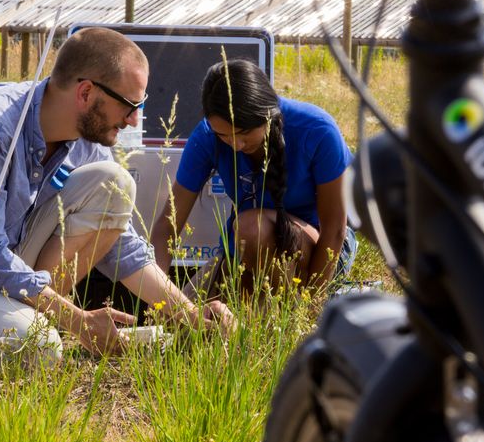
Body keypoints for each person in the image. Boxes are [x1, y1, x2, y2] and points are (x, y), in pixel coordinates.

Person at [0, 27, 234, 365]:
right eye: (129, 106)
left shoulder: (84, 141)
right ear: (86, 93)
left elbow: (122, 247)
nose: (133, 122)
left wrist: (188, 314)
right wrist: (78, 319)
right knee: (40, 348)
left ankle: (34, 322)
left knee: (115, 183)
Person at [152, 59, 357, 297]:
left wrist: (311, 309)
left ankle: (283, 309)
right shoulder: (207, 137)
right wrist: (158, 300)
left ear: (267, 115)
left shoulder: (316, 130)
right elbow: (167, 226)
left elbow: (334, 230)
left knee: (252, 228)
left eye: (244, 133)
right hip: (244, 253)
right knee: (181, 323)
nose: (236, 145)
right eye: (224, 136)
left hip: (320, 251)